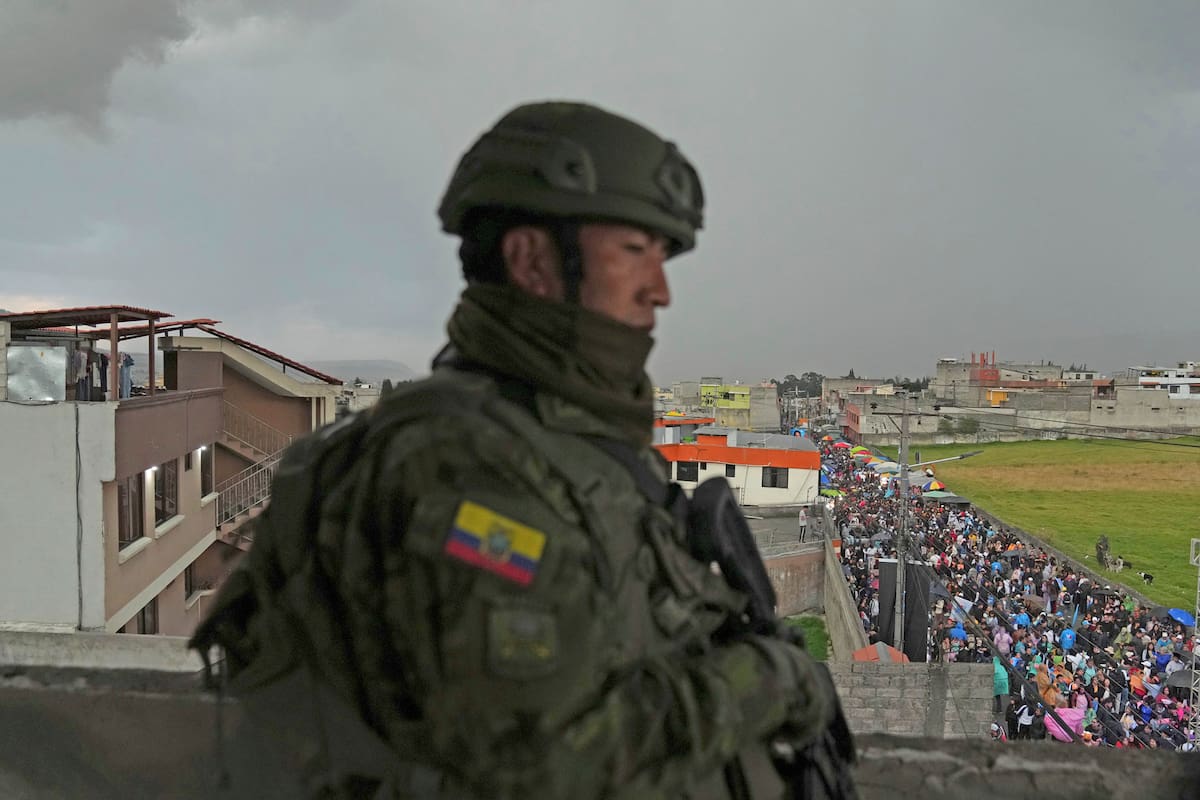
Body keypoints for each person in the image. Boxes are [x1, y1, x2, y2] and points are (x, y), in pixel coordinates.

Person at [192, 102, 852, 799]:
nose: (660, 290)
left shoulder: (561, 441)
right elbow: (538, 761)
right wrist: (771, 681)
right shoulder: (467, 466)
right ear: (533, 260)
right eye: (635, 252)